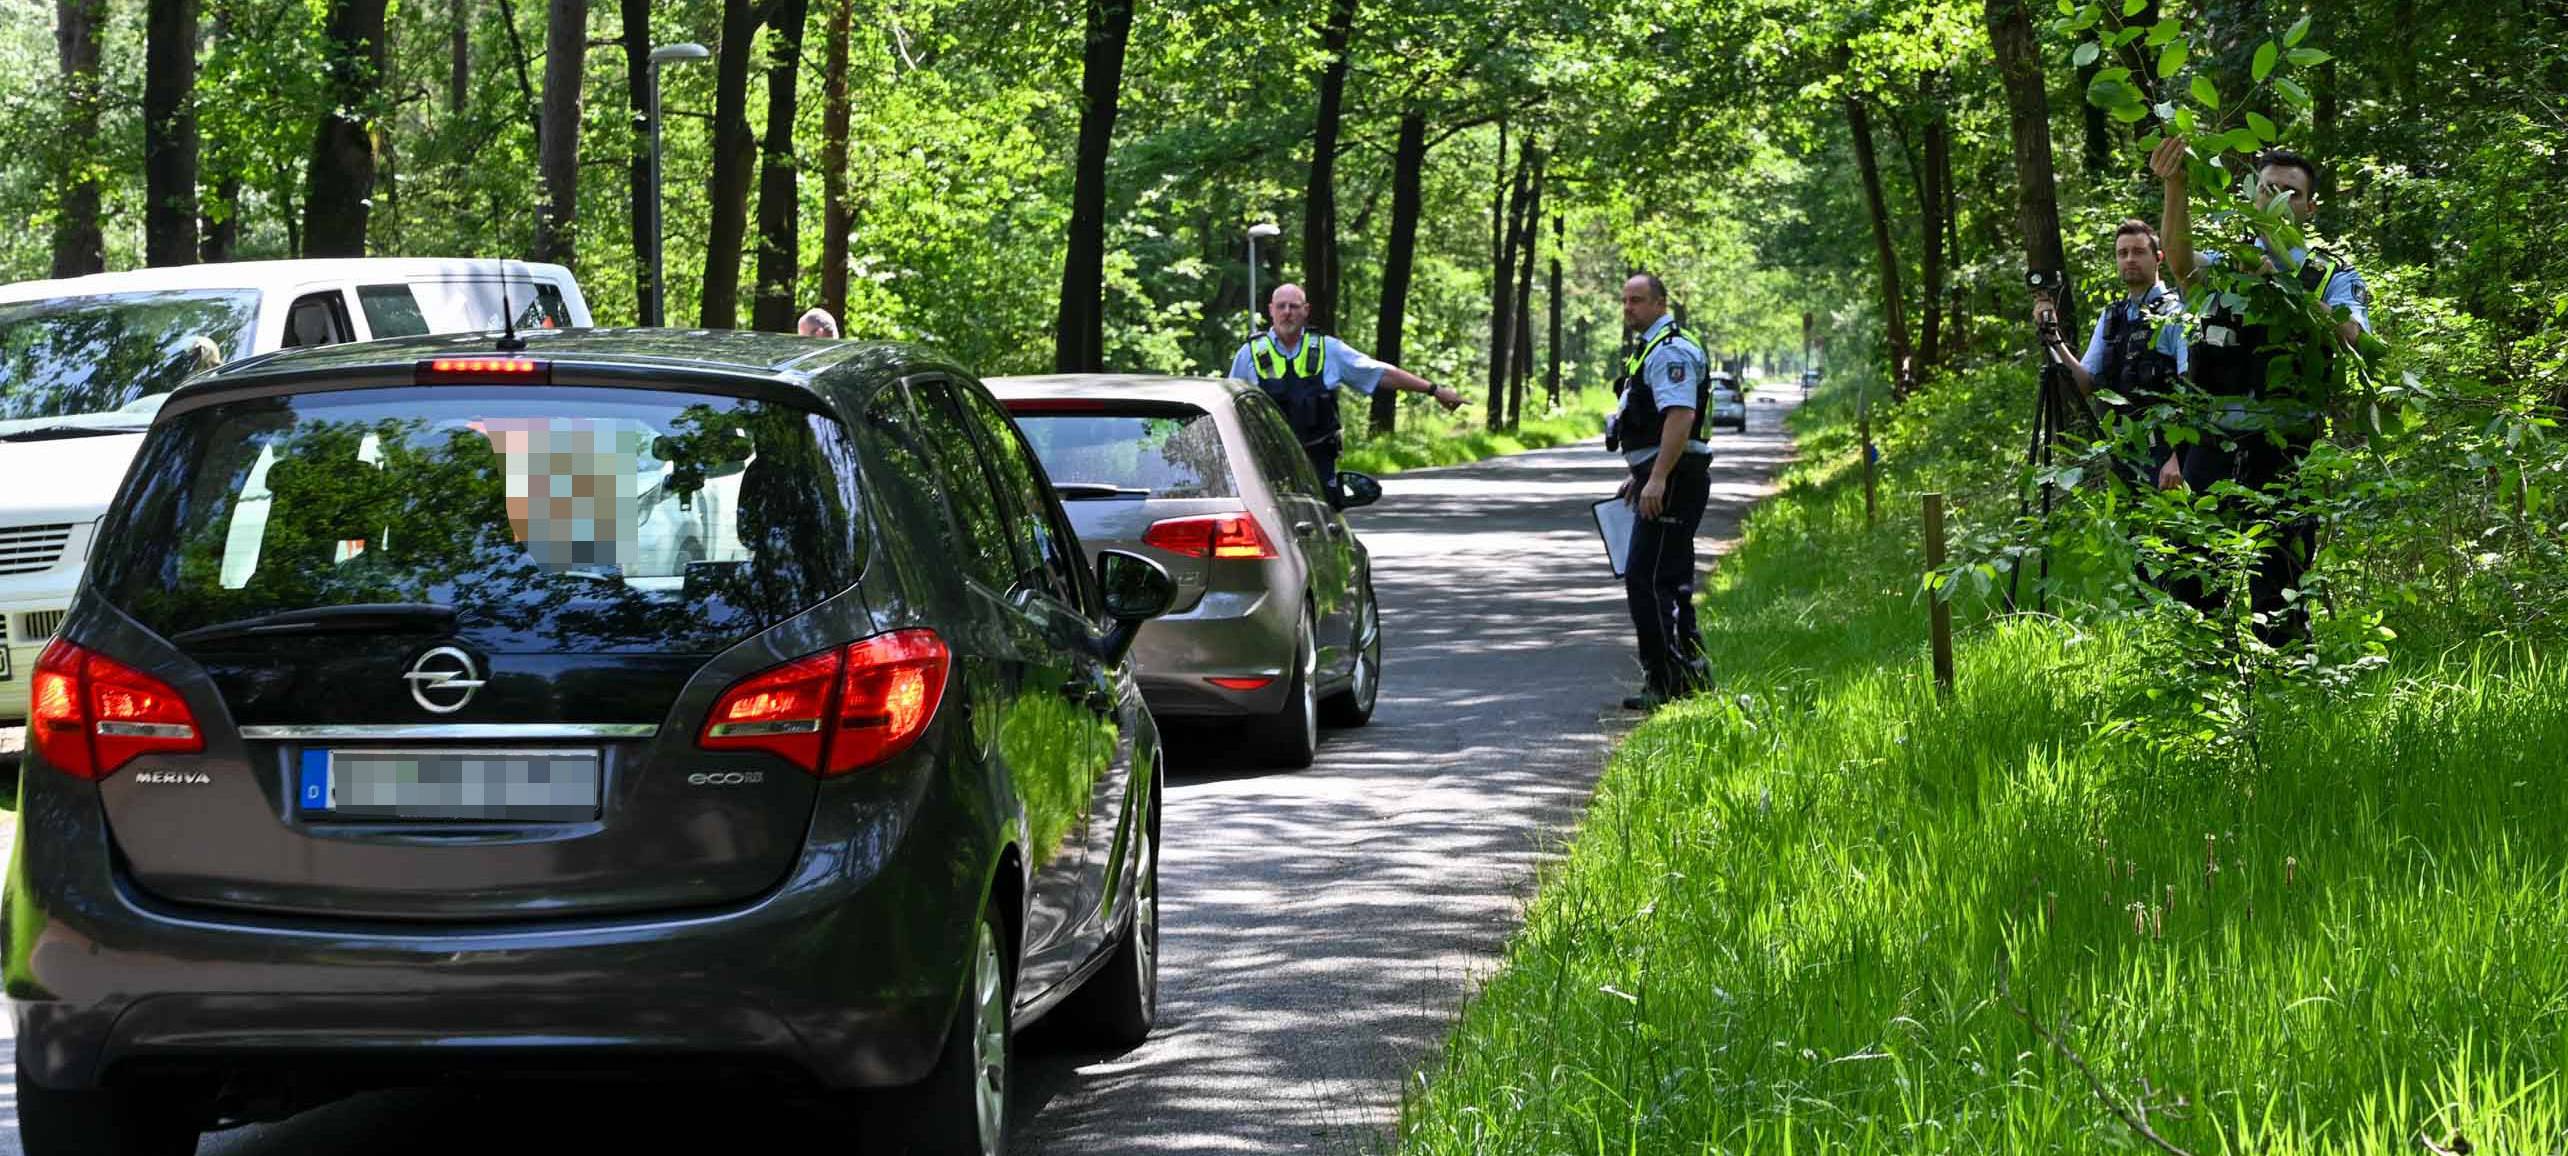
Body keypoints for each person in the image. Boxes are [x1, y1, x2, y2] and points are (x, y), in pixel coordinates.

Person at [2150, 138, 2376, 641]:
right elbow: (2181, 264)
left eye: (2291, 193)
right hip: (2211, 451)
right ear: (2254, 194)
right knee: (2193, 590)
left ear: (2309, 207)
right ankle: (2206, 700)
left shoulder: (2329, 275)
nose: (2278, 199)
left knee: (2281, 598)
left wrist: (2283, 282)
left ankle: (2290, 702)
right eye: (2269, 189)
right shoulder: (2227, 264)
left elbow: (2354, 338)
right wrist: (2176, 185)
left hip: (2287, 456)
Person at [1228, 283, 1462, 502]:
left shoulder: (1327, 349)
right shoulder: (1250, 353)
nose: (1287, 312)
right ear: (1271, 310)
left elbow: (1380, 373)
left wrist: (1433, 389)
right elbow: (1229, 406)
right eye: (1281, 306)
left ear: (1306, 310)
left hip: (1318, 463)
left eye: (1294, 306)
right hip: (1269, 463)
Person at [1609, 273, 1714, 711]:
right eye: (1626, 300)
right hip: (1667, 475)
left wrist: (1657, 478)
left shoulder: (1669, 350)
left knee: (1648, 579)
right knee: (1668, 579)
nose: (1629, 308)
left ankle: (1666, 682)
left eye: (1638, 301)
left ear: (1659, 303)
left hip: (1674, 480)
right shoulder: (1652, 348)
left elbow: (1680, 417)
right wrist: (1643, 474)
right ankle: (1688, 677)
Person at [2035, 218, 2190, 491]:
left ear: (2159, 258)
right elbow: (2084, 384)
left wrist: (2178, 457)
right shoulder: (2111, 317)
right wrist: (2054, 337)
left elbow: (2193, 390)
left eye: (2139, 252)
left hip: (2166, 454)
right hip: (2122, 453)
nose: (2130, 259)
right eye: (2122, 253)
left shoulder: (2177, 313)